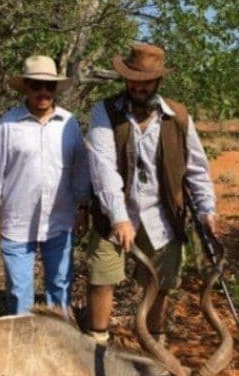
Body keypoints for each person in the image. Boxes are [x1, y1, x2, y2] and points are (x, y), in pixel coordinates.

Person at [84, 43, 218, 343]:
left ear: (157, 80)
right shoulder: (105, 111)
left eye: (145, 81)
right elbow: (103, 168)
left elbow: (197, 169)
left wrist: (207, 209)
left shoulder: (177, 116)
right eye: (132, 79)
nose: (137, 86)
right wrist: (118, 217)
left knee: (161, 285)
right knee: (101, 278)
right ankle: (96, 344)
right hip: (115, 213)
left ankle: (153, 349)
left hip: (163, 217)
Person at [0, 54, 91, 316]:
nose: (43, 92)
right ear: (26, 87)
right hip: (18, 220)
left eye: (48, 86)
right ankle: (22, 337)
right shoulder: (8, 124)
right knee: (19, 291)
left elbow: (80, 169)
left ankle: (59, 336)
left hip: (60, 219)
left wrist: (83, 207)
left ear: (55, 89)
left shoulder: (69, 124)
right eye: (36, 85)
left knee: (60, 286)